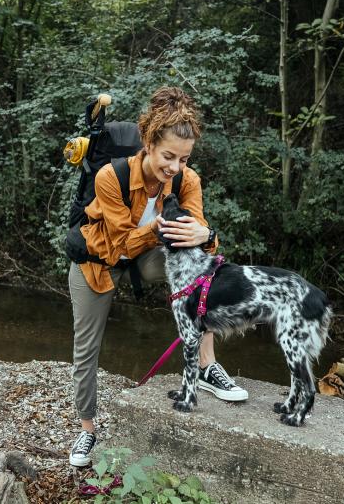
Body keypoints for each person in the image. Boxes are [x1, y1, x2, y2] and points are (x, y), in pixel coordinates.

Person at [67, 86, 248, 467]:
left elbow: (197, 236)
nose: (176, 167)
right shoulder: (110, 176)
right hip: (99, 260)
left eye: (184, 158)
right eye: (168, 156)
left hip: (148, 257)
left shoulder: (187, 180)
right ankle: (87, 430)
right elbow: (120, 247)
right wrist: (163, 226)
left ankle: (205, 367)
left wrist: (207, 236)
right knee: (86, 348)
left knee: (203, 267)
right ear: (148, 144)